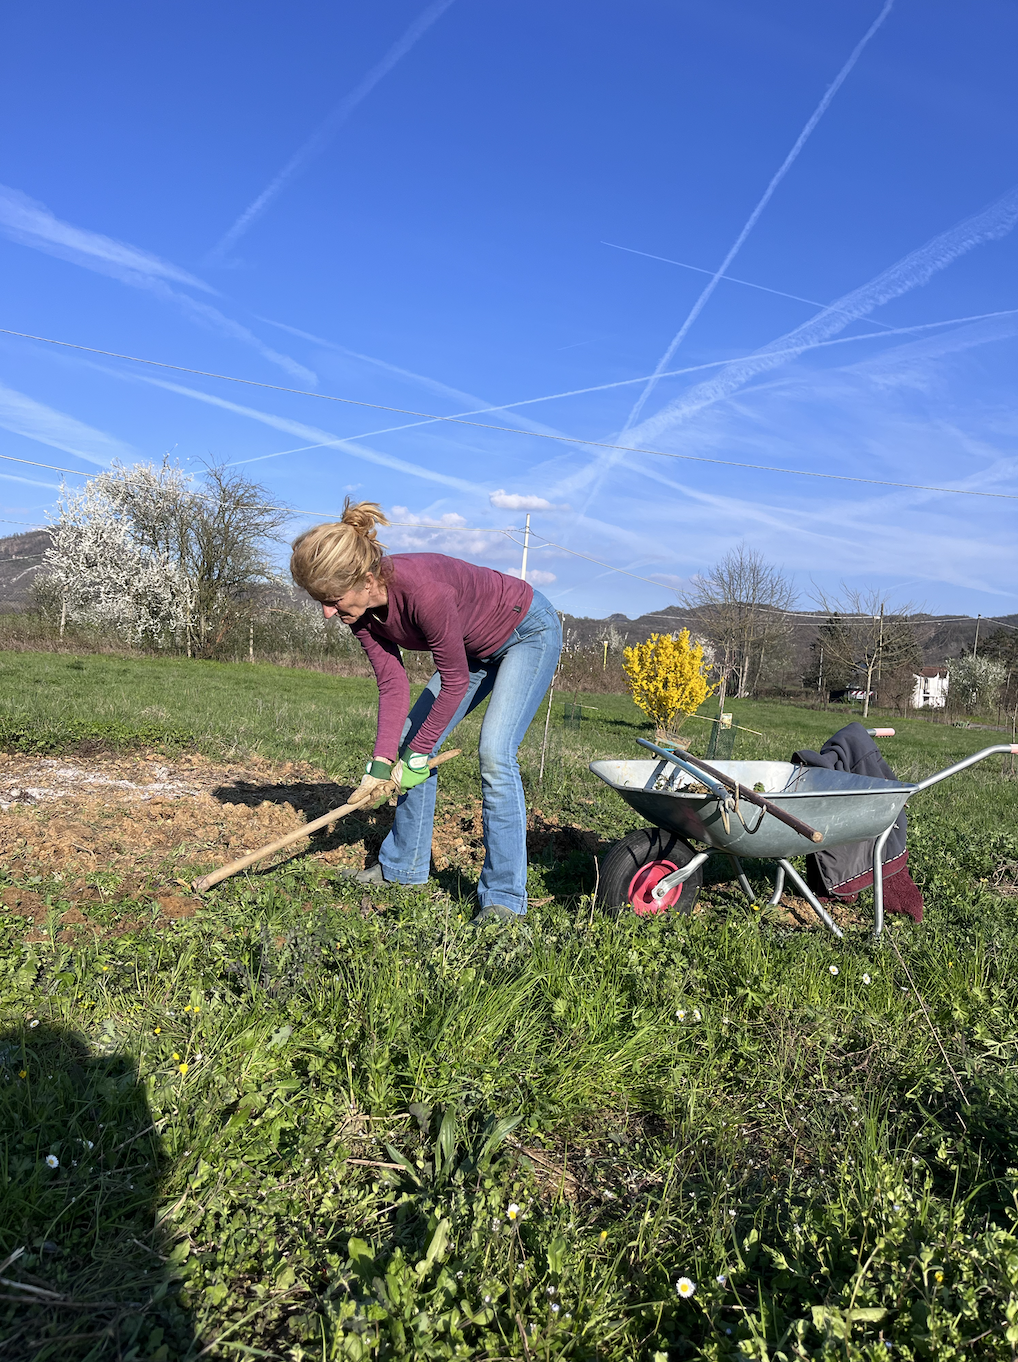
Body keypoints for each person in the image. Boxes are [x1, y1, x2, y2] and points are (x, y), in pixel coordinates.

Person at [290, 500, 562, 926]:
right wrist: (382, 762)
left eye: (331, 599)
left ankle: (504, 898)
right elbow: (392, 682)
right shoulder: (358, 613)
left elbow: (453, 682)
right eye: (320, 601)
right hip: (472, 649)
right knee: (406, 744)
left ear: (364, 580)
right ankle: (403, 868)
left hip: (526, 631)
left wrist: (417, 756)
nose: (327, 612)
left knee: (494, 753)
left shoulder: (423, 592)